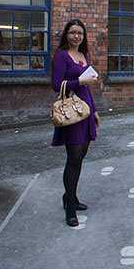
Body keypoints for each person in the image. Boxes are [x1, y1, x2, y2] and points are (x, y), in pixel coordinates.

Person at [51, 19, 101, 227]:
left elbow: (87, 88)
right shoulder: (62, 56)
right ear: (66, 35)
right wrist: (80, 81)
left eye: (80, 33)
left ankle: (70, 197)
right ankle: (70, 207)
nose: (76, 36)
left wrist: (95, 111)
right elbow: (56, 85)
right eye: (72, 32)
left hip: (86, 110)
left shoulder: (83, 55)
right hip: (72, 112)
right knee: (73, 157)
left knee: (81, 156)